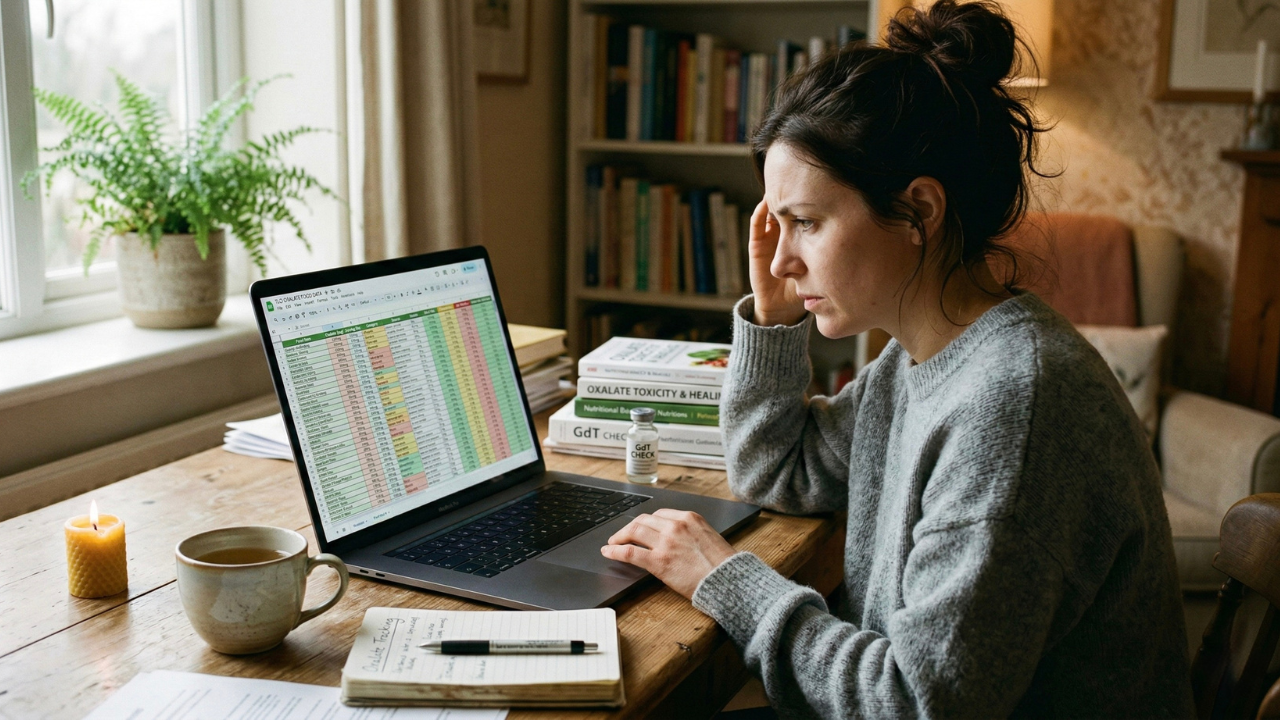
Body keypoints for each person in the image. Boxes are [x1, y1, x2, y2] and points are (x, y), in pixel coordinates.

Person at [599, 1, 1195, 717]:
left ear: (919, 211)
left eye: (806, 222)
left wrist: (726, 580)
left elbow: (915, 702)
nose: (781, 260)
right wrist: (774, 319)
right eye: (778, 225)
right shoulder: (923, 357)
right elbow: (779, 468)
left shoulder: (1014, 404)